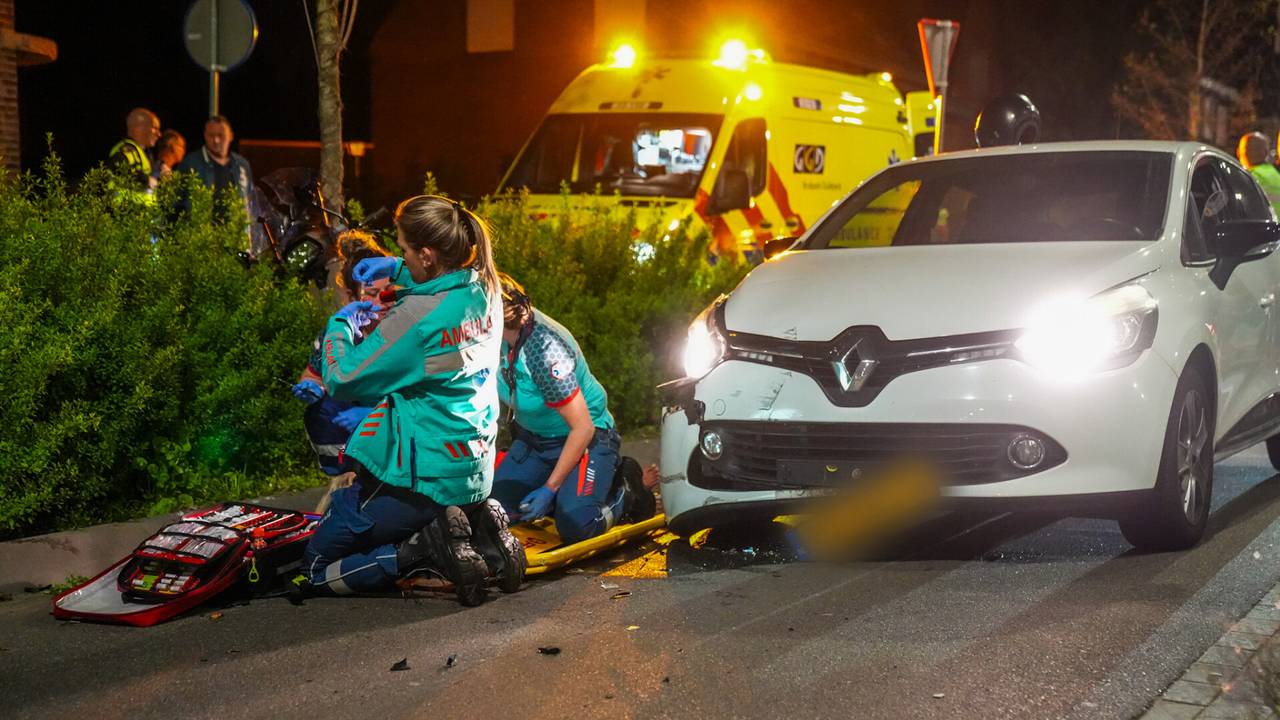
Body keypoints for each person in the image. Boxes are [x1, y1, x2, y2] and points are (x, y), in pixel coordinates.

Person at [301, 196, 524, 605]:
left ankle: (418, 550)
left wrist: (340, 324)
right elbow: (441, 304)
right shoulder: (486, 287)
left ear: (426, 253)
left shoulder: (417, 315)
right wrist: (397, 269)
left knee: (314, 567)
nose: (398, 255)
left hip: (423, 482)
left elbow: (342, 377)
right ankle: (478, 530)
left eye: (402, 249)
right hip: (473, 471)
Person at [491, 273, 656, 544]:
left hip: (587, 437)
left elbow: (583, 428)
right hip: (535, 440)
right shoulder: (495, 339)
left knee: (576, 524)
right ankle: (569, 491)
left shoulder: (544, 351)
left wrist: (549, 488)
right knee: (495, 511)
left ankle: (626, 489)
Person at [292, 231, 394, 513]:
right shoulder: (338, 330)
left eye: (388, 294)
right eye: (371, 295)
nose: (381, 303)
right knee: (323, 408)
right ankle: (346, 475)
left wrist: (377, 415)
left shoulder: (408, 327)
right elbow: (313, 374)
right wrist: (312, 388)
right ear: (352, 296)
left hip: (402, 425)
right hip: (358, 425)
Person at [176, 115, 254, 223]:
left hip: (234, 234)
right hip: (202, 234)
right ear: (204, 136)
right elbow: (177, 201)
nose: (216, 140)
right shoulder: (191, 163)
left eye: (221, 135)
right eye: (211, 135)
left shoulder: (241, 165)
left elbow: (250, 201)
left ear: (231, 136)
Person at [108, 107, 160, 195]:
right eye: (155, 128)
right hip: (124, 207)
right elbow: (121, 169)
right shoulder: (125, 149)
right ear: (139, 127)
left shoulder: (141, 152)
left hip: (139, 208)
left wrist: (160, 171)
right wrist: (146, 180)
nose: (159, 134)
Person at [1237, 132, 1280, 217]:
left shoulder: (1247, 177)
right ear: (1266, 152)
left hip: (1264, 228)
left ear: (1239, 152)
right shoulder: (1275, 174)